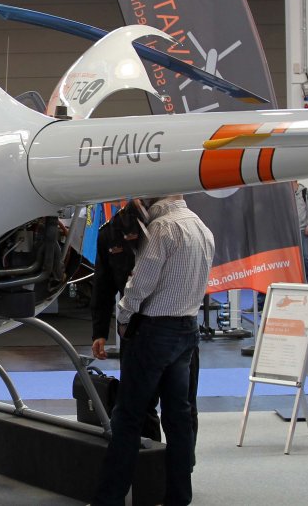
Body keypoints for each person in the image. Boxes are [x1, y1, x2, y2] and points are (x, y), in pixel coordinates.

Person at [92, 195, 214, 506]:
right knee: (179, 417)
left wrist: (123, 318)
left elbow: (139, 285)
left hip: (153, 331)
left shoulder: (161, 229)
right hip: (188, 328)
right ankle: (179, 497)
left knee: (128, 417)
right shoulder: (201, 227)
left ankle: (109, 499)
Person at [90, 200, 162, 440]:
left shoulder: (165, 228)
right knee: (138, 403)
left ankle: (180, 462)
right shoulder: (110, 233)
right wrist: (100, 332)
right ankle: (148, 458)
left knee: (181, 408)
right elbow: (103, 286)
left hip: (171, 323)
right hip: (134, 328)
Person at [293, 181, 308, 283]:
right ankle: (296, 278)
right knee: (293, 257)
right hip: (292, 230)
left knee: (306, 256)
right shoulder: (287, 193)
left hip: (303, 229)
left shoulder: (304, 192)